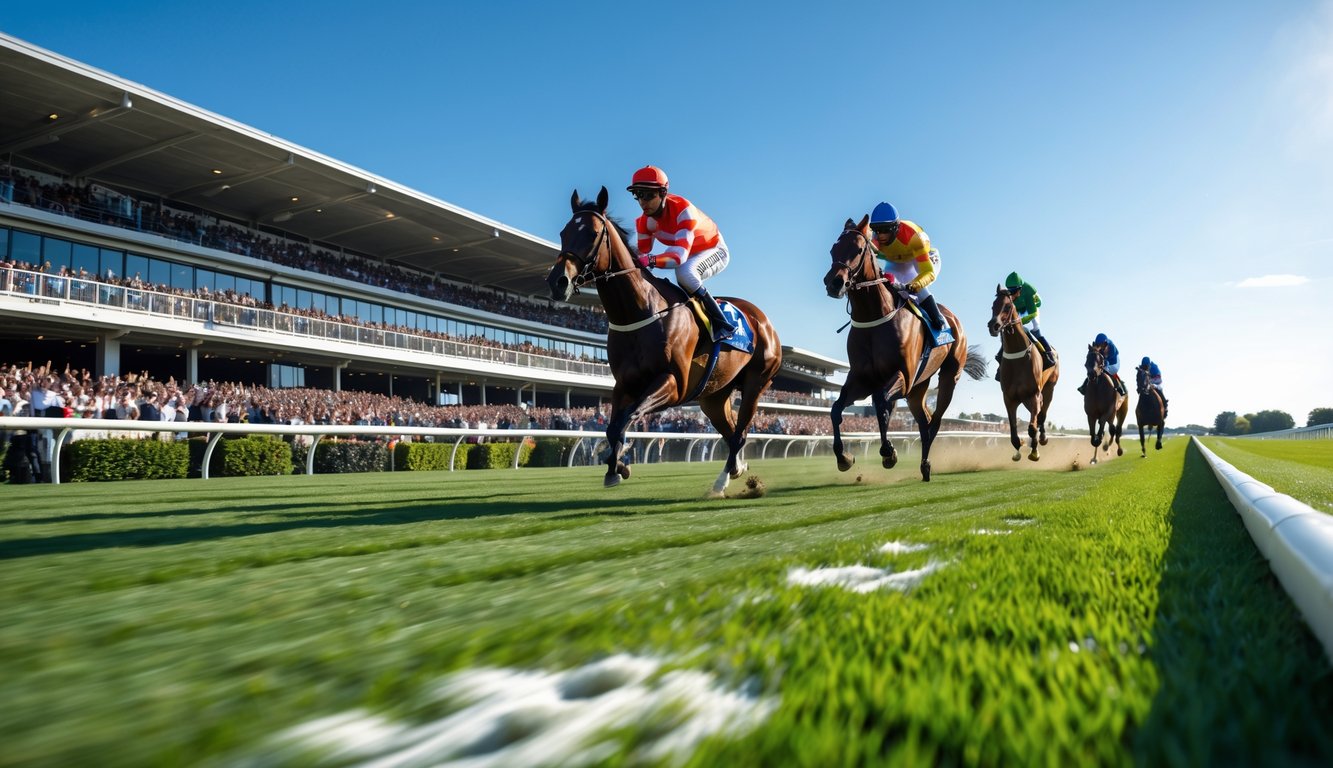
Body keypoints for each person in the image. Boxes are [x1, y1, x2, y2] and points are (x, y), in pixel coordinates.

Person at [626, 165, 736, 342]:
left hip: (713, 248)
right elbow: (642, 251)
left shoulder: (684, 211)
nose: (642, 202)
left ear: (663, 193)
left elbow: (678, 258)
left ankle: (721, 323)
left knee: (685, 273)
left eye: (648, 195)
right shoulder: (644, 222)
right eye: (637, 194)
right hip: (686, 250)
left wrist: (650, 260)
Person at [868, 202, 952, 345]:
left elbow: (928, 272)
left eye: (885, 230)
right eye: (876, 230)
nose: (880, 235)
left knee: (918, 289)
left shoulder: (914, 238)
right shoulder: (873, 238)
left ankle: (939, 324)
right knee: (885, 287)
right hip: (895, 261)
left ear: (895, 228)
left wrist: (915, 284)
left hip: (920, 260)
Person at [1003, 272, 1056, 366]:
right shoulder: (1010, 293)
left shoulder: (1028, 291)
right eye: (1010, 291)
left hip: (1032, 307)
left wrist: (1019, 322)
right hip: (1019, 308)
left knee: (1035, 329)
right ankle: (1001, 357)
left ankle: (1048, 354)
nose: (1012, 294)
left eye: (1014, 292)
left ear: (1020, 288)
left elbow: (1033, 313)